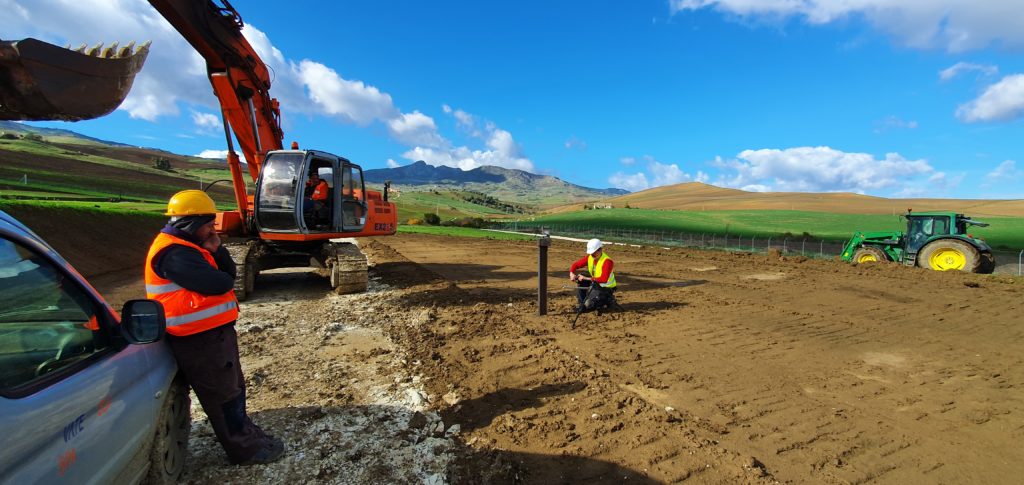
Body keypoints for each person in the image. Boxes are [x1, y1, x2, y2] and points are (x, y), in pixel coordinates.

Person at [144, 190, 284, 465]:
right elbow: (219, 284)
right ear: (191, 224)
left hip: (212, 334)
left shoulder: (194, 247)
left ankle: (247, 434)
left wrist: (216, 247)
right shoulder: (174, 254)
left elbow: (228, 275)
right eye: (208, 225)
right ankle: (245, 449)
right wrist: (216, 260)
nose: (213, 228)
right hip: (195, 339)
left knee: (232, 388)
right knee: (222, 395)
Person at [568, 238, 618, 313]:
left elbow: (604, 279)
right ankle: (582, 306)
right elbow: (576, 265)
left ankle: (609, 300)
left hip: (606, 288)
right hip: (596, 283)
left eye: (594, 253)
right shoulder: (590, 257)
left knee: (590, 304)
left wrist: (587, 278)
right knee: (581, 278)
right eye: (591, 253)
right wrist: (571, 273)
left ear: (600, 250)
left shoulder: (607, 261)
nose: (592, 255)